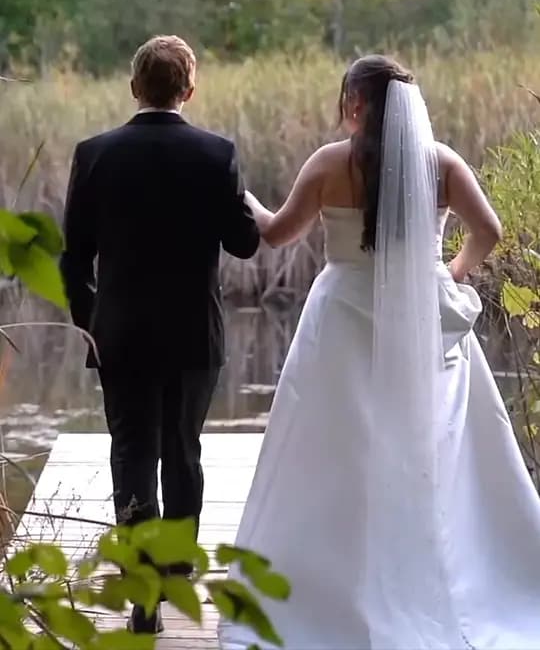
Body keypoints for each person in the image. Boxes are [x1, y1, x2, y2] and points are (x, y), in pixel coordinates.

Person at [219, 55, 540, 650]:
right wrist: (453, 271)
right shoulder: (440, 162)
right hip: (422, 317)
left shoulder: (327, 164)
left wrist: (249, 200)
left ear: (355, 104)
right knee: (434, 444)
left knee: (337, 448)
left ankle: (330, 585)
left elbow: (276, 233)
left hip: (342, 312)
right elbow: (488, 230)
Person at [60, 35, 259, 634]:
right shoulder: (215, 153)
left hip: (119, 334)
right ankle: (176, 571)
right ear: (189, 90)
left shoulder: (94, 154)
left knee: (132, 453)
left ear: (133, 87)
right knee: (183, 450)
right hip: (195, 335)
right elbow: (245, 243)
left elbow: (75, 259)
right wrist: (234, 193)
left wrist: (89, 322)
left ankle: (141, 598)